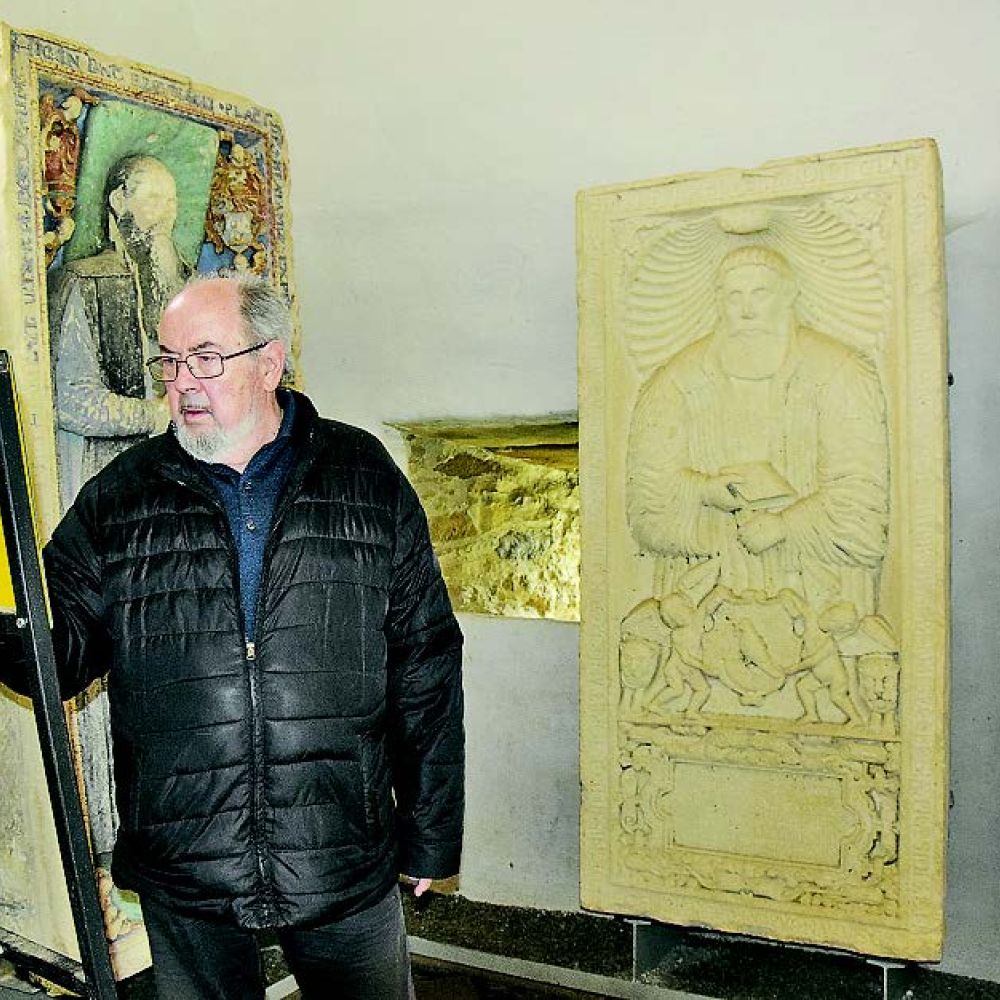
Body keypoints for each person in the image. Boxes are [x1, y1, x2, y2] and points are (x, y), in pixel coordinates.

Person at [2, 273, 465, 999]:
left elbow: (425, 660)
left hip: (338, 846)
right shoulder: (119, 498)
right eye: (169, 360)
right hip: (187, 855)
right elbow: (57, 656)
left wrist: (431, 833)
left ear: (269, 363)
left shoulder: (361, 477)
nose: (182, 381)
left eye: (206, 357)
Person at [46, 153, 187, 899]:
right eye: (149, 199)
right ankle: (102, 858)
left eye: (171, 201)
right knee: (101, 666)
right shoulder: (84, 281)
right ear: (117, 202)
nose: (163, 216)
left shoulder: (185, 288)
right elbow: (72, 396)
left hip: (173, 506)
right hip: (103, 493)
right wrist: (156, 416)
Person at [627, 244, 890, 620]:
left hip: (817, 589)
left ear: (788, 294)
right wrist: (702, 491)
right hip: (705, 589)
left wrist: (786, 525)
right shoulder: (678, 380)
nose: (747, 309)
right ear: (719, 301)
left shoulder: (837, 371)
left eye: (760, 293)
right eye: (734, 296)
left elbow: (861, 496)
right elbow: (647, 497)